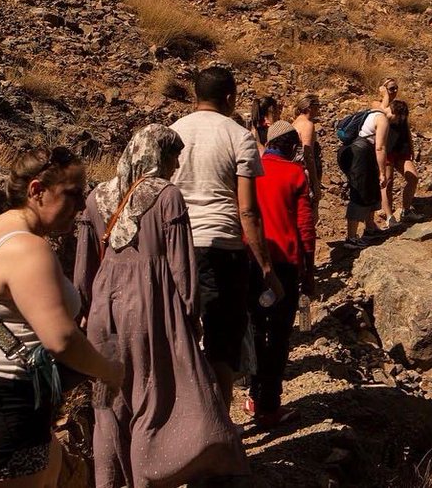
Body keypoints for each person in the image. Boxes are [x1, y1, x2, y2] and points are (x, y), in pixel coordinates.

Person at [0, 147, 123, 488]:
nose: (81, 205)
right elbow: (61, 339)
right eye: (72, 194)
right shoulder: (27, 248)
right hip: (0, 402)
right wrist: (110, 372)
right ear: (37, 191)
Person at [74, 125, 247, 487]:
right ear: (157, 156)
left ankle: (108, 482)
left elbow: (83, 270)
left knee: (108, 403)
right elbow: (182, 266)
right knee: (150, 398)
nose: (175, 164)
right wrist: (189, 313)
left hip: (104, 308)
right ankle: (146, 479)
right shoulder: (167, 197)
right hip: (150, 305)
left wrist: (86, 309)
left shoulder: (96, 198)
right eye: (172, 156)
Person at [170, 66, 282, 407]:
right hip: (222, 246)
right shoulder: (239, 136)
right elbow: (247, 209)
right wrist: (265, 267)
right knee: (223, 343)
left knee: (182, 336)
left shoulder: (173, 132)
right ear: (231, 98)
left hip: (177, 245)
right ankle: (220, 427)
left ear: (196, 96)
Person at [248, 122, 315, 428]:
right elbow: (305, 226)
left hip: (250, 260)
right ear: (289, 147)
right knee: (277, 336)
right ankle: (269, 405)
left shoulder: (250, 170)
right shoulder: (294, 173)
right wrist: (308, 270)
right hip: (284, 264)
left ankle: (253, 394)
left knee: (255, 330)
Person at [338, 101, 393, 249]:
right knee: (360, 193)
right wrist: (382, 172)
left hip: (353, 152)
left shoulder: (371, 113)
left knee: (370, 189)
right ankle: (351, 238)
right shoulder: (382, 119)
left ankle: (370, 229)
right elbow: (380, 148)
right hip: (360, 154)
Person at [378, 80, 421, 225]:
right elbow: (382, 111)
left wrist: (411, 147)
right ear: (383, 89)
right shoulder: (379, 105)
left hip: (401, 148)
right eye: (390, 88)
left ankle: (406, 210)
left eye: (396, 88)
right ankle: (390, 216)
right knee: (388, 182)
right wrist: (384, 95)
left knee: (413, 177)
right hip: (387, 149)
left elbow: (406, 127)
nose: (394, 90)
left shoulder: (400, 106)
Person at [290, 93, 324, 208]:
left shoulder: (294, 123)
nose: (318, 110)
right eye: (317, 106)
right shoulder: (307, 125)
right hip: (304, 173)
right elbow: (308, 155)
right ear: (309, 107)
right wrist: (315, 183)